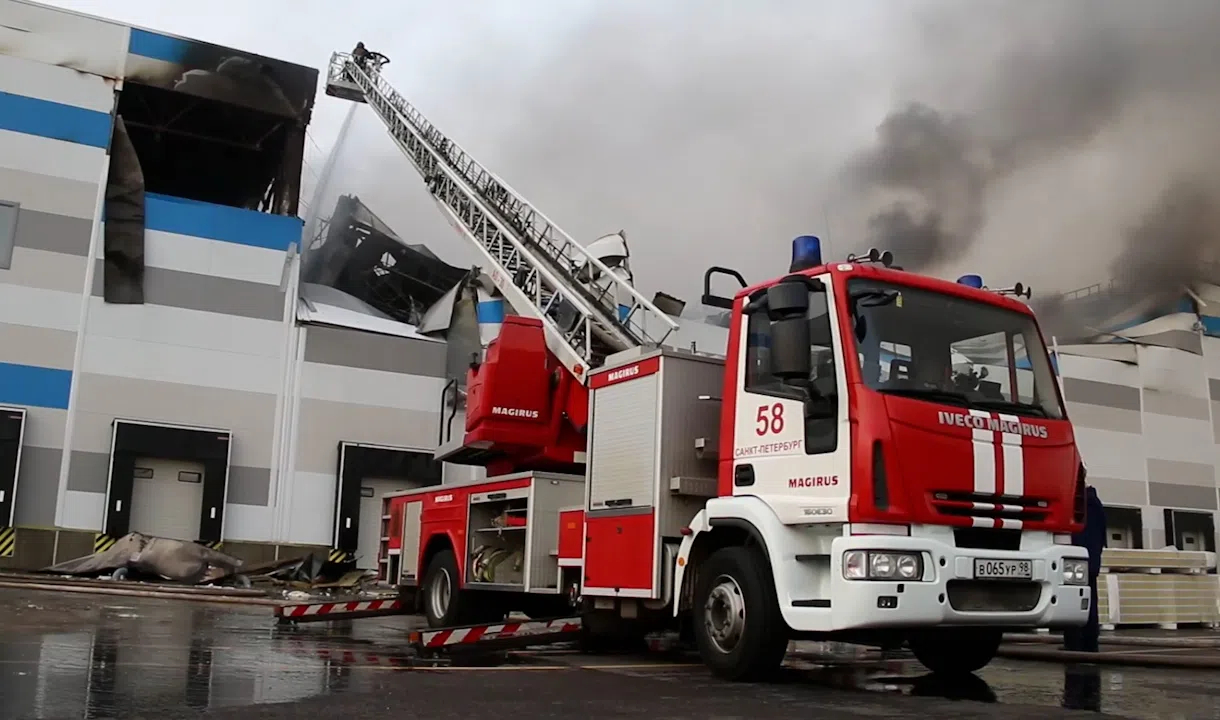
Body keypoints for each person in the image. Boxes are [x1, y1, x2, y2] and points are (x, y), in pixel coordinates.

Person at [1064, 485, 1106, 652]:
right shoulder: (1094, 504)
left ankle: (1079, 643)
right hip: (1088, 561)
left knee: (1077, 604)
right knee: (1087, 602)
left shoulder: (1085, 505)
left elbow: (1080, 535)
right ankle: (1084, 642)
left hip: (1080, 562)